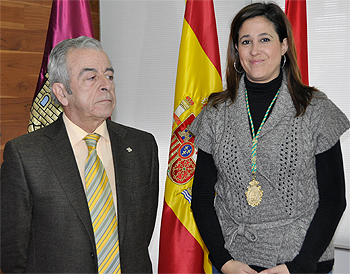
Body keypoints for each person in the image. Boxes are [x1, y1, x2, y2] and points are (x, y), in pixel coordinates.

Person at [190, 3, 349, 274]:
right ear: (236, 50)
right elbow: (202, 197)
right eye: (245, 41)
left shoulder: (316, 109)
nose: (255, 50)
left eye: (265, 39)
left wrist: (298, 266)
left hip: (302, 262)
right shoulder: (214, 113)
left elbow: (334, 199)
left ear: (284, 45)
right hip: (233, 261)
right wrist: (223, 260)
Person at [1, 36, 159, 273]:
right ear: (62, 93)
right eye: (91, 77)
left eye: (109, 75)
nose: (106, 84)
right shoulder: (26, 155)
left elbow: (140, 235)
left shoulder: (141, 146)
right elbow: (12, 253)